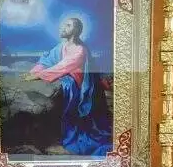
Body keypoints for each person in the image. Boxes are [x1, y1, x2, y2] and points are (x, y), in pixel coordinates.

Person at [22, 17, 112, 156]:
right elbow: (47, 60)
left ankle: (69, 139)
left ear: (76, 30)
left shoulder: (80, 50)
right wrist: (34, 71)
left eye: (68, 25)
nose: (63, 27)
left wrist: (37, 76)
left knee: (69, 93)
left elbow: (61, 67)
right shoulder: (62, 46)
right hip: (67, 76)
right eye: (64, 25)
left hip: (80, 86)